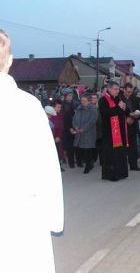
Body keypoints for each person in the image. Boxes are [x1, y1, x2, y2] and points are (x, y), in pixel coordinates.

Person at [0, 29, 64, 273]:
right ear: (9, 61)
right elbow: (45, 167)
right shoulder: (26, 106)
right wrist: (54, 219)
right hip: (20, 216)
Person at [98, 81, 129, 181]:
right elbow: (108, 113)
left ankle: (121, 173)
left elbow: (123, 112)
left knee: (120, 153)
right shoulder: (103, 100)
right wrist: (119, 107)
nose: (117, 91)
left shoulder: (118, 98)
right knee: (111, 154)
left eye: (118, 89)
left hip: (119, 131)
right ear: (109, 89)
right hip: (109, 132)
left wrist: (124, 108)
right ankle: (111, 174)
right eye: (115, 89)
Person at [72, 94, 98, 173]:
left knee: (88, 149)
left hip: (88, 132)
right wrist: (75, 126)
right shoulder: (79, 108)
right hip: (79, 132)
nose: (82, 102)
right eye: (81, 100)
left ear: (89, 101)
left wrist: (84, 128)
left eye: (84, 100)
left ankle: (88, 165)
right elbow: (74, 118)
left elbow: (93, 120)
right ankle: (88, 163)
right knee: (81, 149)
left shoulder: (92, 108)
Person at [120, 83, 140, 171]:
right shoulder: (120, 99)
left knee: (133, 147)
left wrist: (134, 117)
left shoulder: (135, 99)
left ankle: (134, 165)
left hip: (133, 126)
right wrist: (126, 119)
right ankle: (123, 166)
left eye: (131, 92)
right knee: (122, 148)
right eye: (128, 91)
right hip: (123, 126)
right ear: (124, 90)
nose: (129, 93)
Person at [62, 88, 82, 168]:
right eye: (69, 96)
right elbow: (64, 119)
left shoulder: (75, 104)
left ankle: (79, 161)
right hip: (68, 128)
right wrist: (69, 128)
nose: (70, 97)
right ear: (65, 96)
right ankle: (71, 162)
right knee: (70, 147)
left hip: (76, 126)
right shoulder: (63, 105)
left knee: (77, 146)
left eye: (71, 95)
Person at [50, 99, 66, 164]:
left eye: (60, 107)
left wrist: (58, 136)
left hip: (58, 137)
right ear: (53, 107)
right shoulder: (49, 115)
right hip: (52, 136)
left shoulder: (60, 114)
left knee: (58, 151)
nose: (59, 108)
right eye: (58, 107)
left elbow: (61, 126)